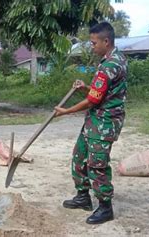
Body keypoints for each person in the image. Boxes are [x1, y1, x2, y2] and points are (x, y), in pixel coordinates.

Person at [54, 22, 127, 224]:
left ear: (106, 41)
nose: (92, 46)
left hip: (104, 123)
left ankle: (105, 207)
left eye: (94, 43)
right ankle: (83, 197)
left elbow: (93, 100)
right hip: (95, 120)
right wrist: (86, 87)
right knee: (79, 156)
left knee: (97, 165)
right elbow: (100, 93)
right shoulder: (114, 59)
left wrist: (66, 111)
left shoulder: (110, 66)